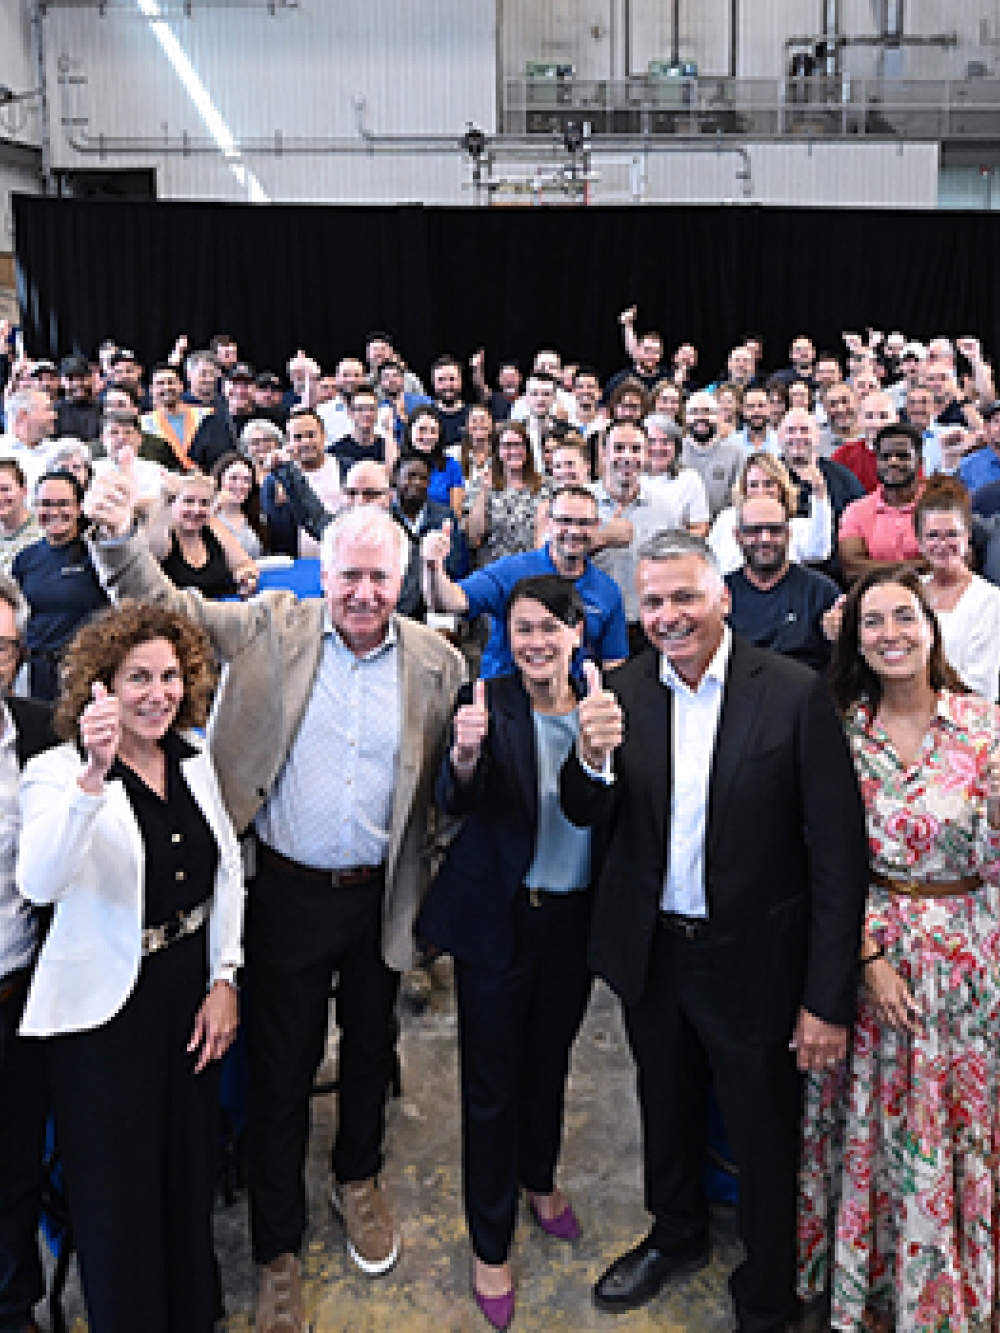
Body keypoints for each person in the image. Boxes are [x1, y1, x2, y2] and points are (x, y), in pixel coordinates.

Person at [84, 471, 465, 1333]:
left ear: (399, 582)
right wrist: (115, 541)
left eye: (380, 577)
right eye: (349, 575)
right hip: (284, 892)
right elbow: (168, 607)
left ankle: (356, 1177)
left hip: (380, 899)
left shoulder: (438, 661)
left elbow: (442, 788)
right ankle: (277, 1250)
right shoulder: (268, 626)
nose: (364, 593)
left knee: (371, 1049)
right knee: (281, 1073)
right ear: (322, 574)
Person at [560, 530, 868, 1333]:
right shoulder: (621, 690)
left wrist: (827, 996)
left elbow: (836, 854)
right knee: (665, 1103)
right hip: (654, 950)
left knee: (765, 1130)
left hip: (757, 960)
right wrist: (588, 759)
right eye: (653, 601)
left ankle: (768, 1287)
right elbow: (587, 810)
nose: (668, 615)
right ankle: (678, 1233)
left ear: (722, 595)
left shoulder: (795, 692)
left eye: (685, 596)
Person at [17, 599, 244, 1333]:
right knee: (118, 1196)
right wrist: (95, 772)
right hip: (104, 1016)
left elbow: (228, 871)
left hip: (188, 994)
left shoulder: (193, 752)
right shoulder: (57, 772)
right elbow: (39, 883)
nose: (158, 692)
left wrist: (225, 978)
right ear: (101, 686)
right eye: (137, 676)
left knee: (186, 1173)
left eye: (171, 675)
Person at [799, 566, 1000, 1332]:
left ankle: (957, 1289)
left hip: (972, 962)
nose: (891, 633)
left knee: (959, 1126)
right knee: (882, 1131)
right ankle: (879, 1292)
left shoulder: (983, 724)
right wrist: (866, 955)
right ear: (855, 639)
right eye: (873, 621)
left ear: (930, 626)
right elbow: (818, 854)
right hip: (876, 958)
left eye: (904, 617)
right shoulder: (841, 730)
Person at [418, 576, 612, 1329]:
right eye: (521, 628)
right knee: (491, 1084)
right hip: (500, 918)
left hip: (571, 919)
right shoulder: (488, 698)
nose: (534, 641)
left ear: (575, 632)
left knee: (551, 1062)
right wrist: (464, 759)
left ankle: (540, 1176)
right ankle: (490, 1240)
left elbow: (597, 807)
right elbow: (456, 798)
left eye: (548, 628)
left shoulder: (600, 703)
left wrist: (596, 757)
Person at [0, 575, 59, 1333]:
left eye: (3, 646)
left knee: (15, 1174)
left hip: (19, 997)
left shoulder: (42, 730)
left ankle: (16, 1308)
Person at [422, 484, 628, 679]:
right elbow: (448, 602)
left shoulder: (607, 591)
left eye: (583, 523)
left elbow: (614, 665)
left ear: (597, 525)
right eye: (564, 521)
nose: (574, 531)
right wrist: (433, 567)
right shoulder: (511, 571)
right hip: (506, 700)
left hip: (570, 705)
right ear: (548, 522)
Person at [12, 471, 109, 701]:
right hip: (37, 673)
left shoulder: (99, 554)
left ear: (78, 508)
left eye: (63, 504)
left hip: (84, 671)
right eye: (45, 504)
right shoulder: (26, 558)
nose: (54, 512)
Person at [725, 494, 841, 673]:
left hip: (804, 694)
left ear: (788, 534)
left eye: (774, 529)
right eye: (754, 530)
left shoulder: (821, 592)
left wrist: (839, 636)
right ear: (737, 536)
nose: (765, 539)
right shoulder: (719, 593)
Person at [915, 475, 1000, 699]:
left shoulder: (990, 600)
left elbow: (983, 688)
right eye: (933, 536)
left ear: (967, 536)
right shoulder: (911, 592)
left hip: (966, 723)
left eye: (952, 534)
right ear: (920, 542)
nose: (943, 545)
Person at [709, 454, 831, 577]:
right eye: (753, 485)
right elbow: (709, 560)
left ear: (781, 487)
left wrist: (819, 493)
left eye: (768, 484)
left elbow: (819, 552)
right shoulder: (726, 519)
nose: (761, 491)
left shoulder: (796, 525)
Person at [147, 471, 259, 600]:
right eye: (188, 501)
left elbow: (244, 564)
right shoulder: (161, 533)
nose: (196, 510)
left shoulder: (213, 525)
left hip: (221, 610)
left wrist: (246, 578)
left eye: (204, 503)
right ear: (172, 503)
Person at [837, 422, 924, 584]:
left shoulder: (938, 503)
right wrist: (922, 566)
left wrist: (874, 567)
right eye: (885, 456)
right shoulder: (856, 511)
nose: (893, 462)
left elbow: (960, 559)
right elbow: (852, 568)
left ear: (919, 461)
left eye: (902, 456)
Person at [463, 420, 550, 566]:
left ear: (528, 450)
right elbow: (473, 537)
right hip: (493, 570)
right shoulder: (480, 483)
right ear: (497, 451)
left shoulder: (546, 485)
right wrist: (484, 491)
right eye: (507, 446)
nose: (514, 451)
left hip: (534, 569)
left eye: (518, 445)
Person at [404, 405, 464, 517]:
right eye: (422, 430)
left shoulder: (451, 466)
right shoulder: (400, 465)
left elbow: (456, 514)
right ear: (409, 431)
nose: (428, 436)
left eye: (433, 431)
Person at [211, 450, 268, 559]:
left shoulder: (257, 516)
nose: (240, 485)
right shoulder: (208, 515)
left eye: (246, 480)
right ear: (220, 480)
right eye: (233, 478)